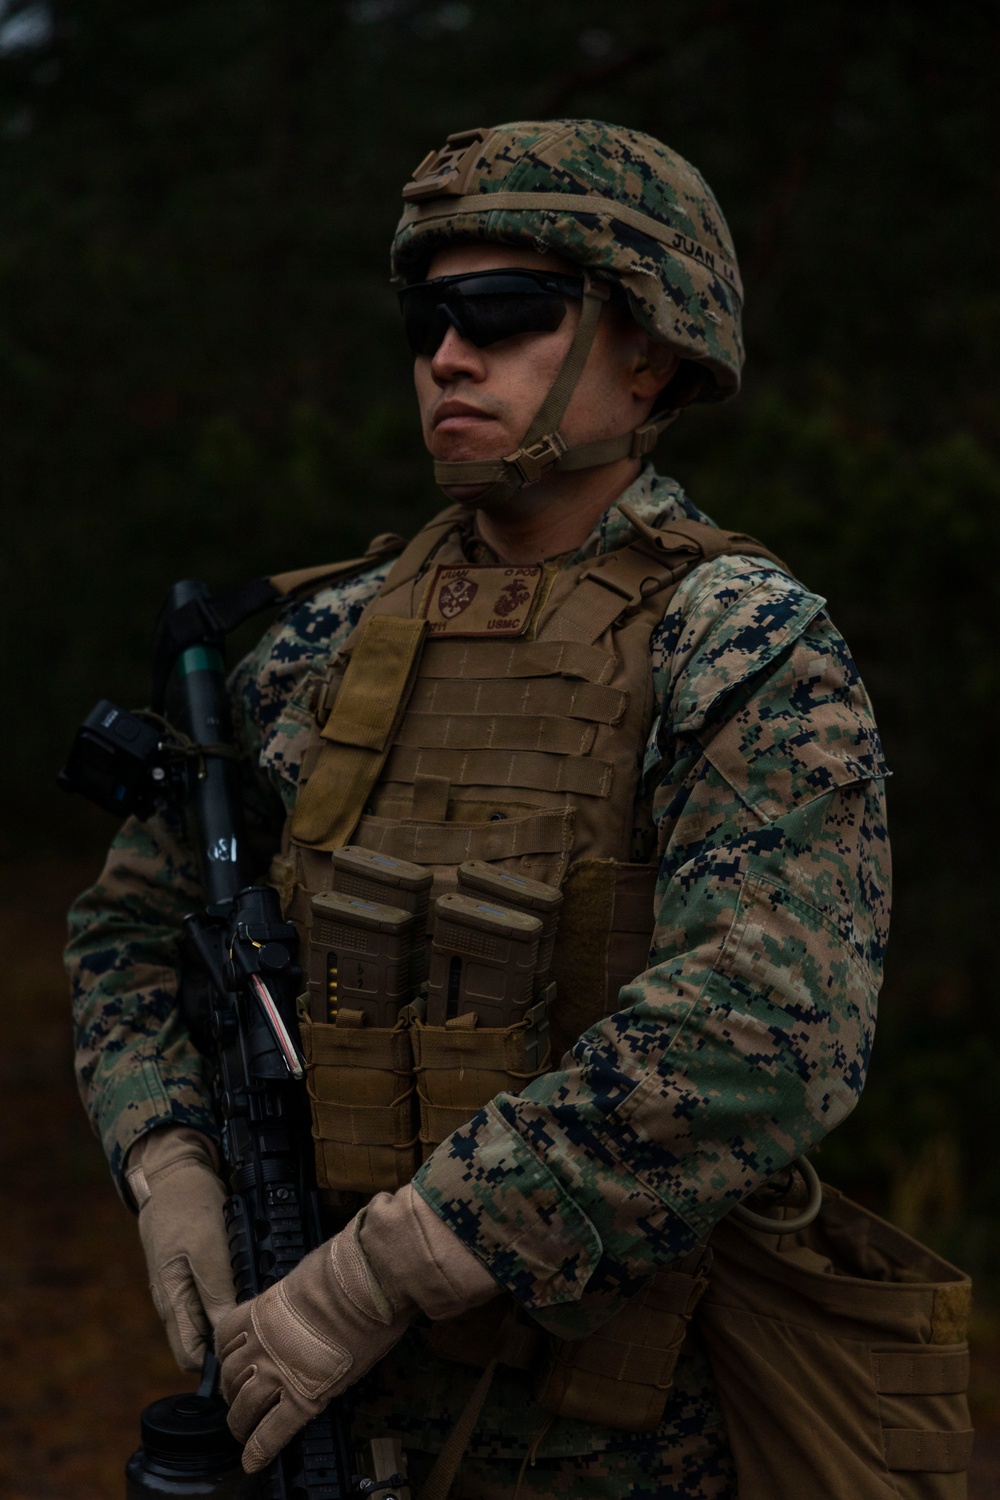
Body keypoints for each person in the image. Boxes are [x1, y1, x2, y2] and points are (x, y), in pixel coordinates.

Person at [67, 120, 890, 1499]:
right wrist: (169, 1157)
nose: (449, 356)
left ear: (651, 350)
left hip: (615, 1437)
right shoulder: (317, 648)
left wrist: (390, 1269)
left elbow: (768, 1027)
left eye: (506, 313)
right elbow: (133, 928)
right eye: (428, 320)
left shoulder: (740, 644)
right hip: (307, 1408)